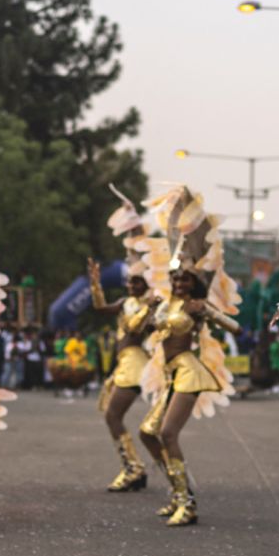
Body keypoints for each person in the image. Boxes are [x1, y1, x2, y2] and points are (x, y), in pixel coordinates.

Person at [137, 187, 239, 527]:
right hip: (168, 375)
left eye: (185, 278)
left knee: (167, 433)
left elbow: (234, 328)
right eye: (175, 277)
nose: (179, 282)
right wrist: (147, 309)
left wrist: (209, 312)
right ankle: (178, 493)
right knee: (147, 432)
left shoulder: (195, 305)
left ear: (193, 282)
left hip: (189, 372)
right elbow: (139, 330)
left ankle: (188, 502)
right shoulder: (165, 304)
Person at [89, 197, 162, 492]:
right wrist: (95, 282)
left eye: (137, 283)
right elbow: (100, 307)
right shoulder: (127, 301)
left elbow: (137, 258)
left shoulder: (149, 304)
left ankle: (135, 468)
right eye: (130, 282)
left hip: (135, 365)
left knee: (113, 415)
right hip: (125, 364)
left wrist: (136, 236)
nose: (132, 286)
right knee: (112, 415)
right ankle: (134, 467)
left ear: (146, 285)